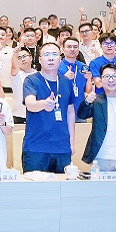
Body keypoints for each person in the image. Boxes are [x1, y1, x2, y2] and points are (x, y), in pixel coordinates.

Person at [22, 42, 76, 173]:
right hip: (36, 148)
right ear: (40, 59)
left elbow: (70, 112)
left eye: (54, 54)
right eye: (46, 55)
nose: (51, 58)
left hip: (62, 147)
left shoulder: (66, 82)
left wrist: (71, 142)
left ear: (60, 59)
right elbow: (30, 104)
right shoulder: (31, 80)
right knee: (35, 185)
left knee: (62, 185)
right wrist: (43, 104)